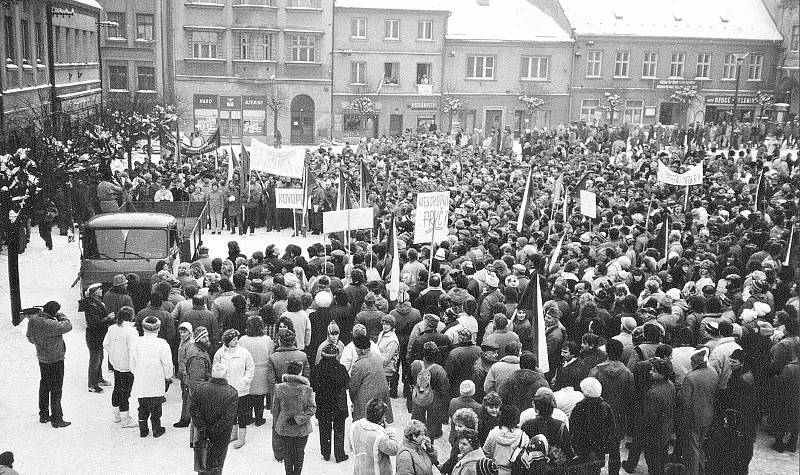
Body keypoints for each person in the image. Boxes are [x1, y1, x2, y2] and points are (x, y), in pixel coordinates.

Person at [26, 301, 72, 428]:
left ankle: (44, 414)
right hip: (56, 359)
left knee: (45, 385)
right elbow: (68, 326)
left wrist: (41, 344)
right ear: (53, 312)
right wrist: (61, 316)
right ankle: (57, 419)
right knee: (56, 388)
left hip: (42, 358)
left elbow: (29, 337)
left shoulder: (33, 320)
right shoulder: (51, 324)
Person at [190, 363, 238, 475]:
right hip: (221, 436)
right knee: (217, 465)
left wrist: (203, 428)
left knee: (202, 465)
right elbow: (228, 417)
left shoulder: (200, 389)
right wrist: (214, 430)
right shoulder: (231, 393)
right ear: (226, 375)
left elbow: (193, 410)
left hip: (202, 434)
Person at [130, 316, 174, 438]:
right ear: (158, 328)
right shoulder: (162, 343)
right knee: (156, 405)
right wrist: (168, 376)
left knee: (142, 405)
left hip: (141, 378)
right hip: (157, 378)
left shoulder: (136, 342)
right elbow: (167, 363)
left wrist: (137, 373)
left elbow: (132, 362)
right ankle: (156, 429)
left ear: (143, 328)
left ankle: (143, 430)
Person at [272, 360, 317, 475]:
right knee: (299, 453)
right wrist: (298, 419)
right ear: (300, 372)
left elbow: (275, 409)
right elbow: (311, 408)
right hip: (301, 429)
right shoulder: (307, 390)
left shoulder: (278, 388)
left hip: (284, 427)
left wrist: (278, 425)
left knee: (287, 454)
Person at [213, 328, 255, 449]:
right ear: (227, 341)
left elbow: (250, 368)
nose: (236, 341)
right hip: (226, 389)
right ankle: (233, 434)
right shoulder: (220, 353)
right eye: (233, 339)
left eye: (237, 339)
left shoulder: (244, 353)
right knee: (229, 414)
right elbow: (215, 368)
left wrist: (245, 381)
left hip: (241, 390)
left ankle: (242, 438)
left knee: (242, 414)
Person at [679, 348, 718, 475]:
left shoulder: (690, 377)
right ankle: (702, 469)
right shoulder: (713, 372)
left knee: (693, 449)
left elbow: (685, 402)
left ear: (695, 361)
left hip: (693, 418)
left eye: (692, 360)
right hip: (708, 415)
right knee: (700, 445)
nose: (690, 362)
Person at [311, 343, 351, 463]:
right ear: (336, 356)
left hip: (323, 404)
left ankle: (326, 453)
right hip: (338, 404)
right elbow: (347, 384)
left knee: (324, 428)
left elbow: (313, 386)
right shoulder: (341, 369)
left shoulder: (317, 369)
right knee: (339, 429)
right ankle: (339, 454)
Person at [102, 306, 139, 428]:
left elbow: (106, 344)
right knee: (125, 393)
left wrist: (113, 354)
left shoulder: (112, 328)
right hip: (128, 367)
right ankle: (125, 419)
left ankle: (116, 416)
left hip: (116, 364)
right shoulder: (132, 332)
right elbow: (134, 351)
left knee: (117, 389)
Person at [569, 377, 615, 473]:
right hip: (599, 448)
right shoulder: (605, 407)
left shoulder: (579, 408)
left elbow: (573, 429)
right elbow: (611, 428)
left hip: (583, 448)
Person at [238, 315, 274, 427]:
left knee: (248, 395)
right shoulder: (267, 340)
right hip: (262, 370)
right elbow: (271, 355)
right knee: (260, 396)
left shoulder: (242, 340)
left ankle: (248, 417)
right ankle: (259, 418)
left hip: (247, 370)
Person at [350, 334, 394, 424]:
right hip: (381, 397)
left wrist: (353, 400)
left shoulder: (358, 365)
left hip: (366, 401)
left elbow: (353, 387)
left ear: (360, 349)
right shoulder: (377, 357)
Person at [349, 398, 399, 475]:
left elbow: (351, 448)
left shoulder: (355, 426)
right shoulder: (379, 436)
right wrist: (389, 430)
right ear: (381, 417)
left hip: (359, 471)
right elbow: (394, 449)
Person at [411, 341, 450, 439]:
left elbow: (411, 378)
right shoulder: (439, 370)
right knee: (433, 420)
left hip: (418, 394)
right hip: (433, 398)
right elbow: (444, 389)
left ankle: (415, 433)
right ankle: (432, 435)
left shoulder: (415, 364)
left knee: (417, 416)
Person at [79, 282, 114, 393]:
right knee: (95, 360)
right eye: (99, 289)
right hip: (94, 335)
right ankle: (92, 384)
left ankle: (99, 379)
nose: (101, 290)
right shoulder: (92, 306)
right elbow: (94, 322)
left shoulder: (96, 303)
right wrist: (107, 318)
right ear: (94, 292)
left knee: (100, 357)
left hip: (97, 335)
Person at [483, 404, 528, 475]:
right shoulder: (522, 436)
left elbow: (485, 452)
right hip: (512, 472)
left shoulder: (492, 433)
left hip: (493, 471)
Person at [174, 321, 195, 428]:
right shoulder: (183, 342)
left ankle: (185, 418)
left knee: (187, 396)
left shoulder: (190, 344)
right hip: (182, 373)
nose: (182, 334)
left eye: (184, 332)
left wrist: (186, 374)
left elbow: (189, 361)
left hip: (187, 374)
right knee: (185, 395)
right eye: (181, 332)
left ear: (190, 332)